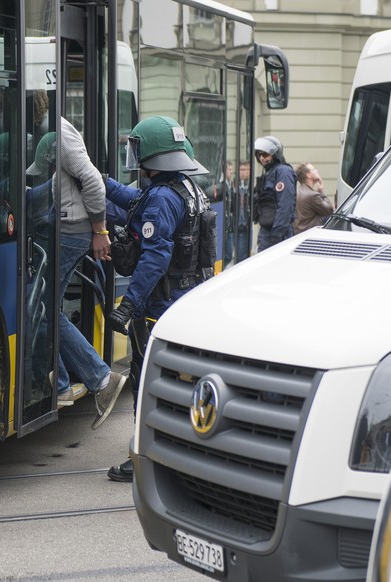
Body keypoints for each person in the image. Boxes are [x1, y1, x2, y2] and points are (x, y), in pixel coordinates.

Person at [103, 116, 213, 482]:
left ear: (151, 154)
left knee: (148, 380)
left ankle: (145, 461)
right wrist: (99, 183)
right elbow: (135, 200)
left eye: (137, 148)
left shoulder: (163, 199)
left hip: (158, 306)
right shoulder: (184, 188)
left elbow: (154, 257)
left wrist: (129, 304)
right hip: (185, 298)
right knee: (178, 382)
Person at [29, 117, 126, 427]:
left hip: (69, 233)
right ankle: (67, 384)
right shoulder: (42, 131)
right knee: (47, 309)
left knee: (44, 311)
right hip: (64, 230)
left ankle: (96, 379)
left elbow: (93, 180)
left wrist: (100, 230)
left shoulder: (58, 131)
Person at [252, 135, 296, 251]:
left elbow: (285, 205)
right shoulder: (268, 173)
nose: (262, 158)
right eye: (259, 155)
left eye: (265, 154)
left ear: (275, 154)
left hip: (278, 233)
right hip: (266, 231)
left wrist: (276, 235)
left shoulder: (283, 172)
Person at [223, 160, 252, 265]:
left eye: (245, 170)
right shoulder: (233, 185)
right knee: (232, 254)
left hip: (245, 224)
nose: (243, 173)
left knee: (242, 255)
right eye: (240, 170)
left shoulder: (252, 185)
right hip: (234, 224)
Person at [293, 162, 334, 234]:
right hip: (310, 234)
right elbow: (329, 210)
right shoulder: (312, 195)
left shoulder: (296, 192)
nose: (317, 171)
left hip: (298, 234)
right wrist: (321, 192)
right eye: (314, 169)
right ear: (308, 175)